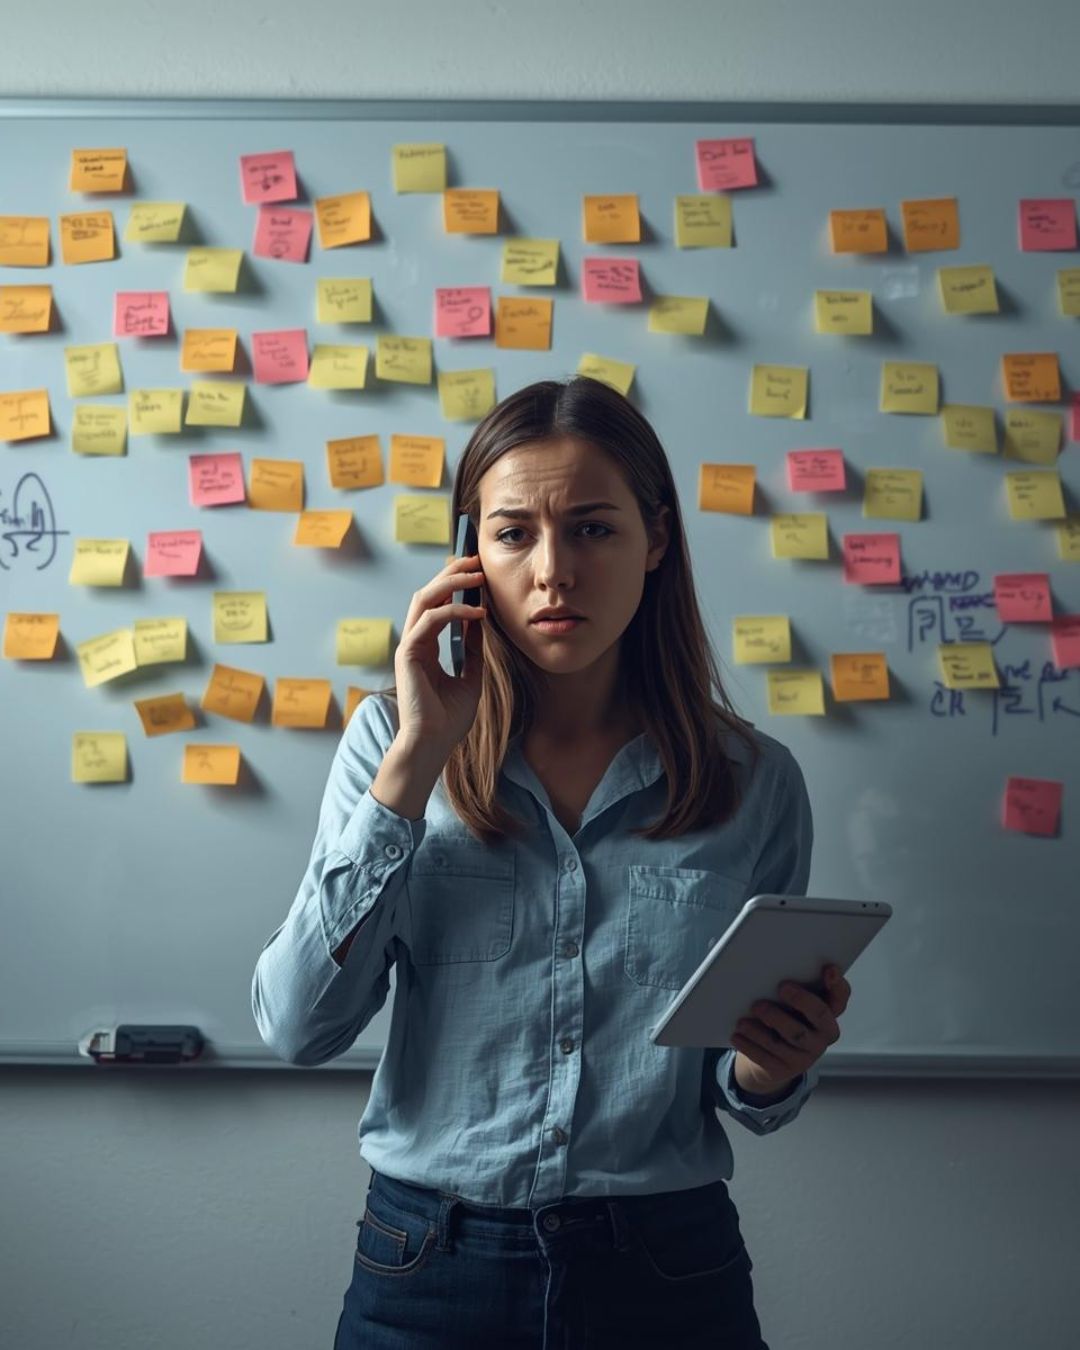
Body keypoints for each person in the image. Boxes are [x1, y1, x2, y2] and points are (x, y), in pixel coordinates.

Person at [252, 375, 852, 1349]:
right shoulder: (389, 744)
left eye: (593, 529)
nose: (553, 572)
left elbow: (742, 1093)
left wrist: (768, 1066)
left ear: (656, 540)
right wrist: (418, 756)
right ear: (468, 554)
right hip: (429, 1266)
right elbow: (295, 1027)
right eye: (513, 533)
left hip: (668, 1272)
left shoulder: (754, 781)